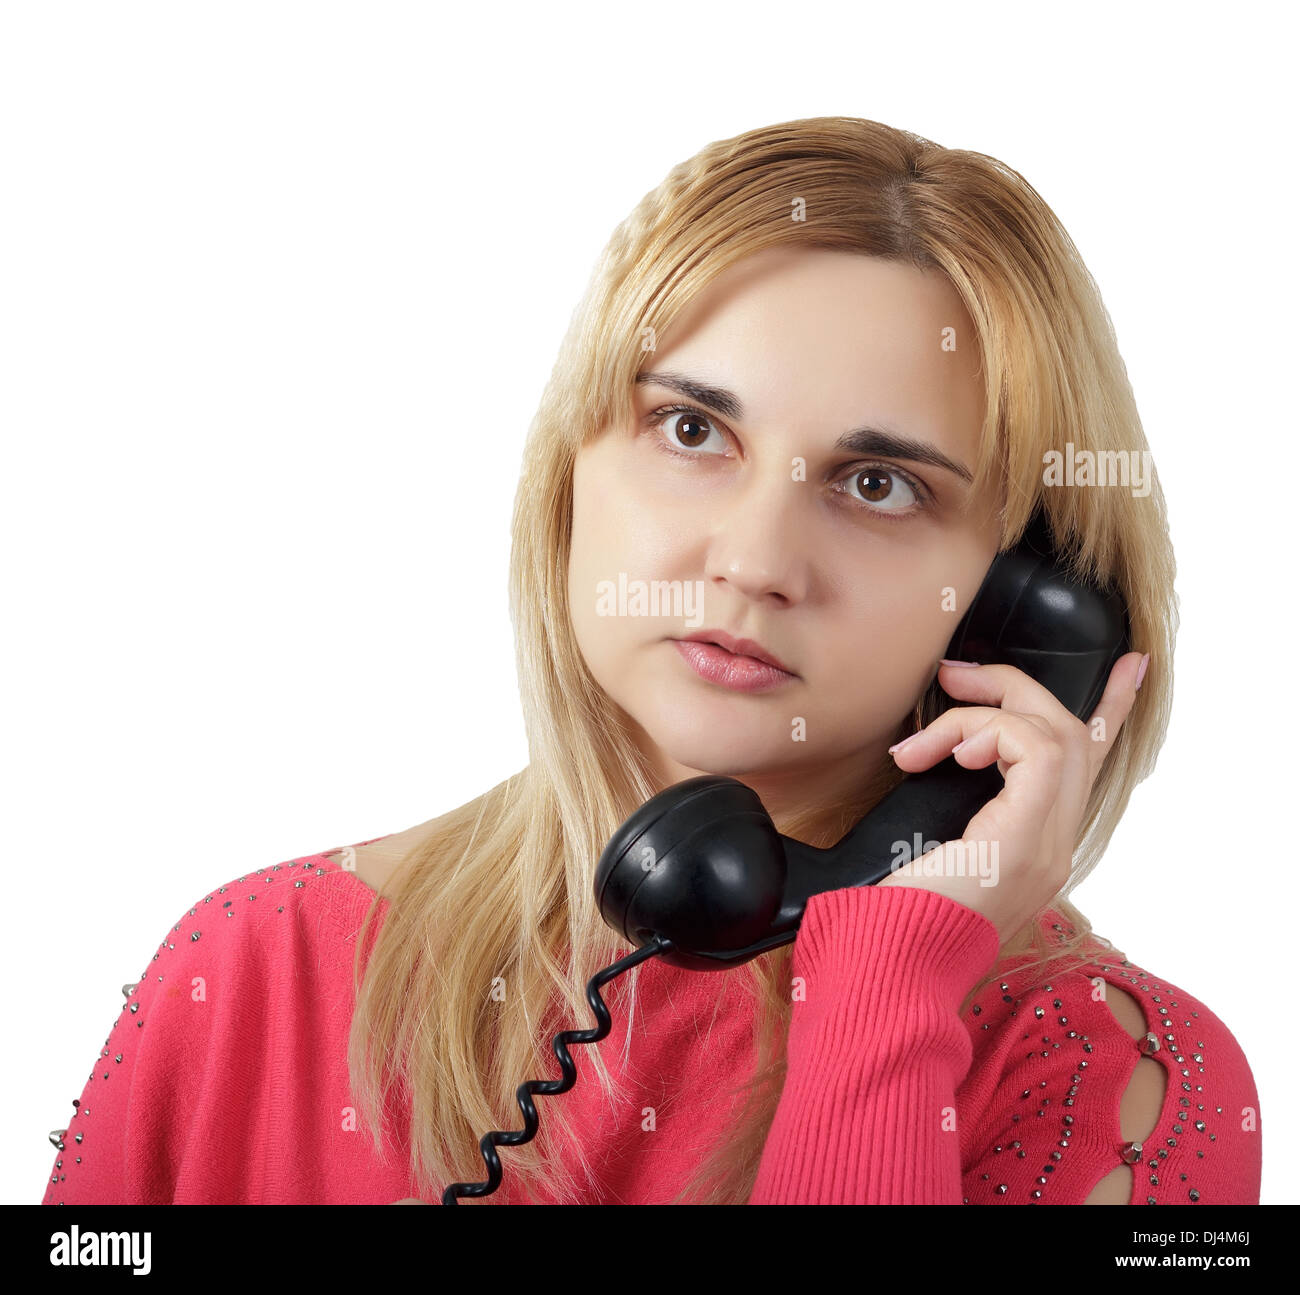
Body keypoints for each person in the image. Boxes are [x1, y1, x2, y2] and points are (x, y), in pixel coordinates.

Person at [41, 116, 1260, 1206]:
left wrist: (886, 987)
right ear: (572, 467)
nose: (752, 559)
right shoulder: (258, 966)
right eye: (693, 429)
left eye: (877, 484)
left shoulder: (1111, 1075)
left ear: (1025, 607)